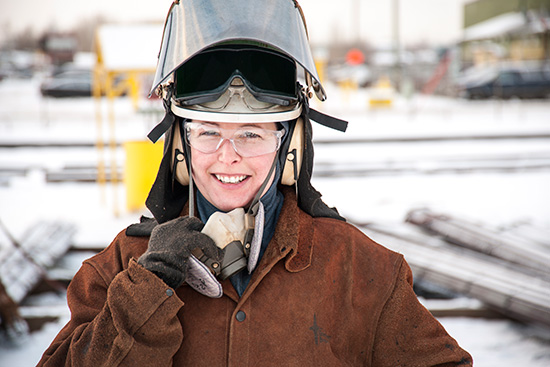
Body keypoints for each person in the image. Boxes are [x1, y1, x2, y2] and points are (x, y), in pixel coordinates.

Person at [39, 0, 472, 365]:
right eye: (208, 132)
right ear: (179, 148)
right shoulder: (121, 267)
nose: (229, 155)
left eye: (252, 133)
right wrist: (144, 295)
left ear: (290, 146)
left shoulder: (365, 271)